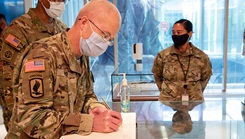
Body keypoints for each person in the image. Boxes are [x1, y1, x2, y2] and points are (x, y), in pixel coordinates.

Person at [5, 0, 122, 138]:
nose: (105, 43)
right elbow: (32, 118)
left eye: (110, 39)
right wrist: (89, 123)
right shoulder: (43, 55)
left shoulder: (82, 54)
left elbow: (86, 95)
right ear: (84, 23)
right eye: (104, 35)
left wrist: (94, 108)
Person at [0, 0, 67, 131]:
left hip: (56, 121)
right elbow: (8, 84)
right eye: (58, 0)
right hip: (27, 124)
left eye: (64, 0)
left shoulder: (61, 29)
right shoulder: (18, 31)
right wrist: (17, 129)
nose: (62, 3)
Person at [152, 19, 212, 101]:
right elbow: (157, 76)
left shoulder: (201, 57)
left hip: (194, 102)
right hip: (168, 103)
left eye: (179, 32)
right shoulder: (163, 56)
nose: (175, 35)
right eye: (173, 32)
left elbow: (205, 78)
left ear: (189, 33)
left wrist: (194, 92)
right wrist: (167, 92)